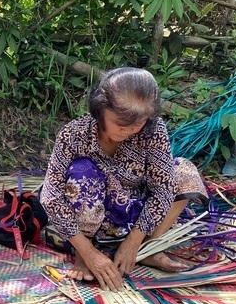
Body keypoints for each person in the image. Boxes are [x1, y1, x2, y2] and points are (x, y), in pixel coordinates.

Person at [40, 67, 207, 292]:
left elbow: (163, 189)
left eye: (137, 124)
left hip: (134, 217)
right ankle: (82, 253)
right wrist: (88, 254)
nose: (128, 131)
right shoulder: (74, 134)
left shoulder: (153, 130)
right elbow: (50, 197)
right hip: (90, 219)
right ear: (100, 110)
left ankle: (150, 249)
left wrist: (134, 241)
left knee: (184, 172)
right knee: (82, 171)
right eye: (120, 123)